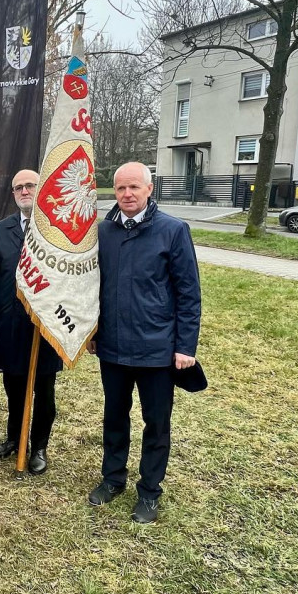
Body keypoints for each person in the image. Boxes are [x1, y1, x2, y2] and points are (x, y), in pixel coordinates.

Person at [88, 161, 201, 524]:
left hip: (157, 349)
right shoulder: (103, 232)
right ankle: (113, 478)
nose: (127, 194)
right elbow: (92, 288)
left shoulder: (173, 231)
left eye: (134, 187)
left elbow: (188, 293)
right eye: (121, 188)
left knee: (156, 423)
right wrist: (92, 331)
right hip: (114, 347)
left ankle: (150, 492)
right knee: (114, 417)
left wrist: (185, 347)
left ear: (149, 189)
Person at [0, 170, 63, 475]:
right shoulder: (1, 229)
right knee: (14, 387)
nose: (24, 190)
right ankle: (15, 439)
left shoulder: (55, 228)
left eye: (30, 185)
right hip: (11, 323)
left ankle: (39, 446)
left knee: (44, 391)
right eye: (18, 187)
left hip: (45, 327)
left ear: (41, 188)